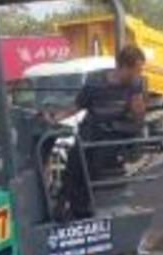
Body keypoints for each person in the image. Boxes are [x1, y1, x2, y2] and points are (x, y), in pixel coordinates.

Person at [50, 44, 148, 218]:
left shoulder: (135, 84)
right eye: (137, 70)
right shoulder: (95, 82)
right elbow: (77, 105)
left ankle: (85, 203)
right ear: (124, 67)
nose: (139, 74)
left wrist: (137, 110)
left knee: (95, 159)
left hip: (116, 131)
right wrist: (56, 117)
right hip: (93, 129)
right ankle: (66, 202)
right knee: (76, 158)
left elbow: (138, 115)